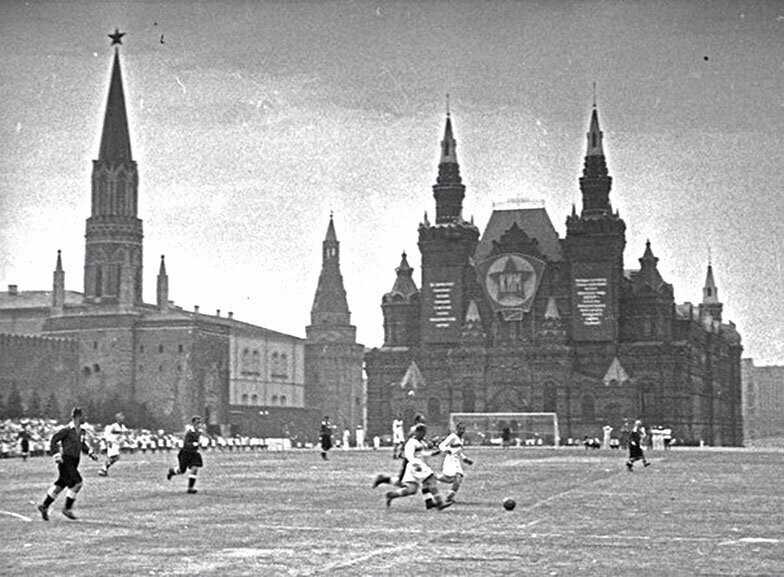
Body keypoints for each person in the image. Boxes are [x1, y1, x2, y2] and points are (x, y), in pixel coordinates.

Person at [37, 407, 98, 520]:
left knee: (60, 485)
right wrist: (56, 455)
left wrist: (90, 452)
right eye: (83, 415)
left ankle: (44, 506)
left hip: (75, 461)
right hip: (66, 460)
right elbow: (54, 440)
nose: (85, 418)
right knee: (78, 483)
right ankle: (67, 508)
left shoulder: (82, 431)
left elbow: (82, 444)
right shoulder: (67, 430)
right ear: (77, 416)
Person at [383, 424, 450, 510]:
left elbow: (422, 453)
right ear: (418, 432)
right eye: (422, 433)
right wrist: (416, 465)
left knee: (412, 489)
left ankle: (391, 495)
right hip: (415, 466)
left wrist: (433, 453)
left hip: (417, 465)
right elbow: (409, 455)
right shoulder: (411, 442)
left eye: (424, 433)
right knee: (431, 479)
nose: (423, 435)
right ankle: (440, 503)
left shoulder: (420, 442)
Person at [436, 422, 473, 505]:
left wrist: (465, 459)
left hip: (456, 460)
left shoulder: (461, 439)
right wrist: (446, 450)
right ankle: (449, 496)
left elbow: (459, 451)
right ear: (457, 429)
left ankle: (435, 478)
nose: (462, 431)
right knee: (456, 478)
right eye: (460, 429)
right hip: (450, 459)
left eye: (463, 429)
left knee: (453, 479)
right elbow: (441, 445)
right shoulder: (453, 437)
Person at [167, 416, 203, 493]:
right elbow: (186, 444)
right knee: (182, 470)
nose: (199, 425)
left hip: (194, 454)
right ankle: (172, 471)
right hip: (186, 453)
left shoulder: (199, 432)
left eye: (200, 423)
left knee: (195, 469)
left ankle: (190, 488)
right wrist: (195, 444)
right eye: (197, 423)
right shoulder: (189, 433)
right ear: (193, 423)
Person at [99, 412, 127, 477]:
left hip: (117, 444)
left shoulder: (123, 426)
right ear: (118, 418)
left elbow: (124, 434)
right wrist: (107, 441)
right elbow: (107, 434)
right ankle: (103, 469)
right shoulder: (113, 426)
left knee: (114, 458)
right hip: (112, 443)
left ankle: (104, 469)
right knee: (114, 457)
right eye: (122, 417)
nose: (123, 418)